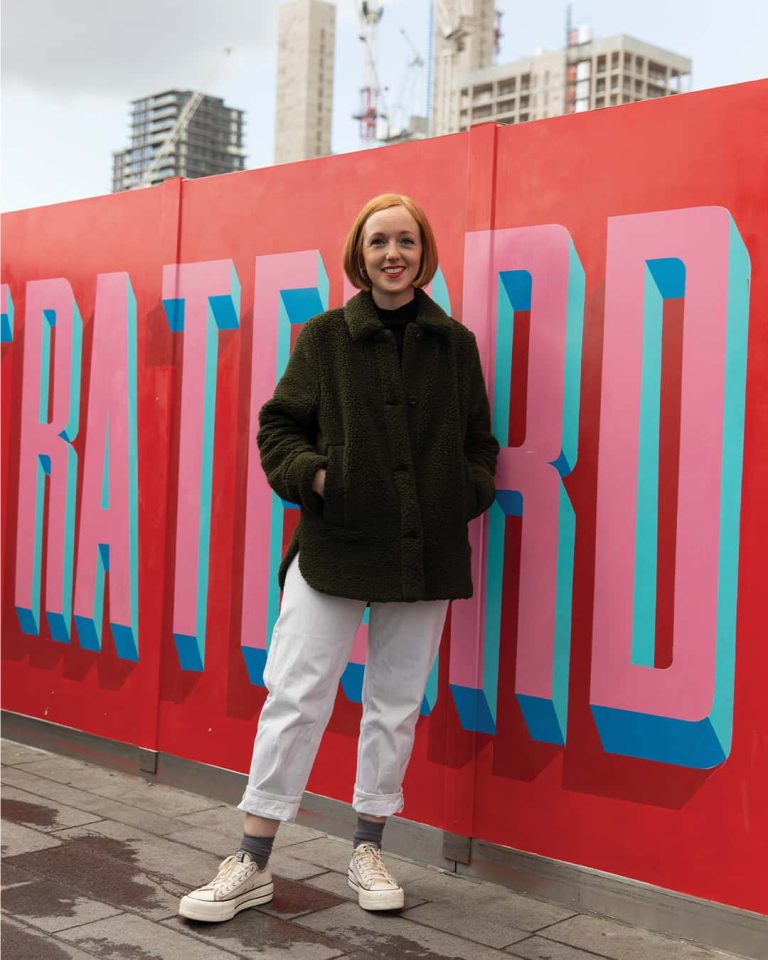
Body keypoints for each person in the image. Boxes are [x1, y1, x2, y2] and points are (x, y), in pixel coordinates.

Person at [179, 194, 499, 923]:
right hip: (333, 547)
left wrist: (461, 494)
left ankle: (368, 846)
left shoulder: (456, 345)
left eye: (407, 242)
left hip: (424, 555)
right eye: (380, 241)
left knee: (394, 705)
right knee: (295, 696)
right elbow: (279, 425)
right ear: (360, 252)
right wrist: (322, 479)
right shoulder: (325, 337)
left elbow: (480, 442)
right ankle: (251, 859)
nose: (394, 254)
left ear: (425, 253)